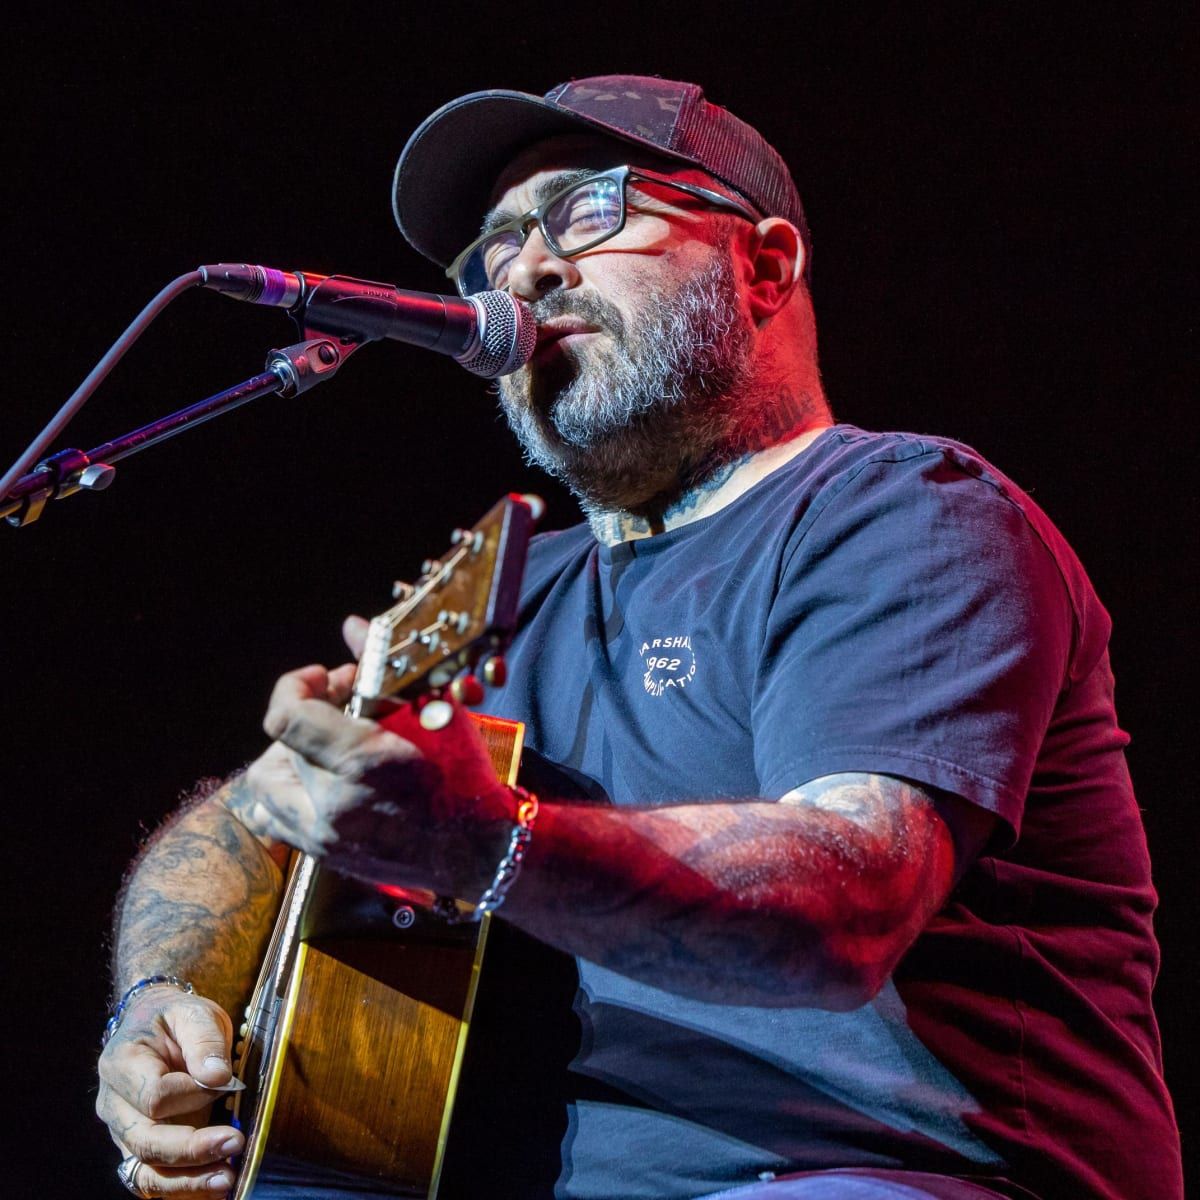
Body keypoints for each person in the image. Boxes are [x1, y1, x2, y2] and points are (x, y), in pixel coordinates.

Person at [95, 75, 1183, 1200]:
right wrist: (158, 1007)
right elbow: (249, 816)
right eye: (494, 249)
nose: (525, 269)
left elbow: (848, 903)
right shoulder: (505, 593)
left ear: (765, 265)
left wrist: (486, 839)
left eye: (590, 210)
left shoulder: (906, 513)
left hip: (877, 1172)